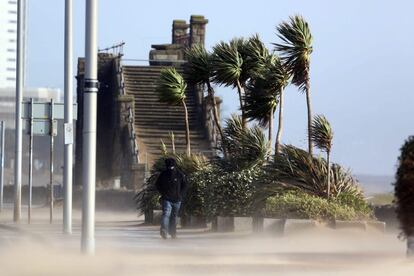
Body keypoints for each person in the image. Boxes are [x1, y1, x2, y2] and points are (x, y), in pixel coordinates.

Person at [155, 157, 187, 239]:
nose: (170, 168)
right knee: (168, 215)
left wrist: (180, 195)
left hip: (176, 199)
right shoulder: (165, 174)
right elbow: (158, 185)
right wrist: (164, 193)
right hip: (169, 199)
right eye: (169, 166)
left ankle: (171, 233)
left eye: (171, 166)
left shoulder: (179, 174)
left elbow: (184, 185)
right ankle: (166, 232)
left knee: (171, 216)